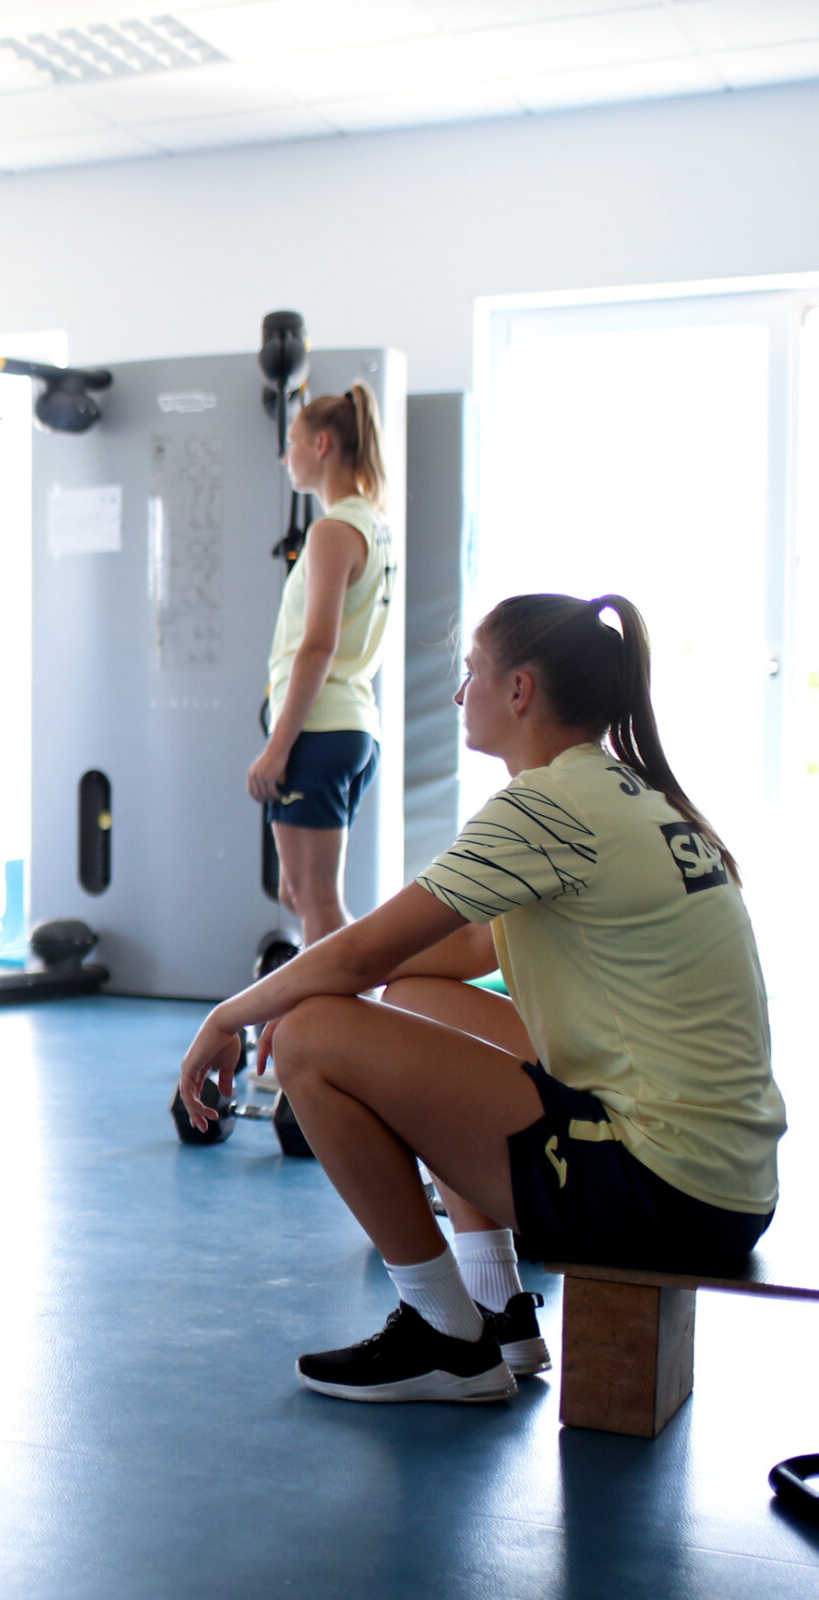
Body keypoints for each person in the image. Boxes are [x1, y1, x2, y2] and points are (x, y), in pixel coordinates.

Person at [179, 593, 786, 1403]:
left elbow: (362, 948)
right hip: (720, 1183)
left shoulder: (549, 807)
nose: (461, 693)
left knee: (311, 1036)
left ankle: (443, 1335)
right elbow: (456, 951)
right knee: (419, 996)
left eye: (472, 673)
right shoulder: (620, 795)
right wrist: (365, 993)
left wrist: (231, 1014)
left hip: (663, 1194)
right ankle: (501, 1309)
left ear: (520, 691)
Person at [248, 385, 393, 948]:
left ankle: (345, 1027)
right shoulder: (374, 524)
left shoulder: (333, 532)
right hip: (351, 728)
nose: (287, 459)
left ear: (323, 444)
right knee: (302, 896)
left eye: (293, 444)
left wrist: (277, 747)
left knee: (318, 903)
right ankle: (319, 1026)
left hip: (320, 728)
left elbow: (318, 647)